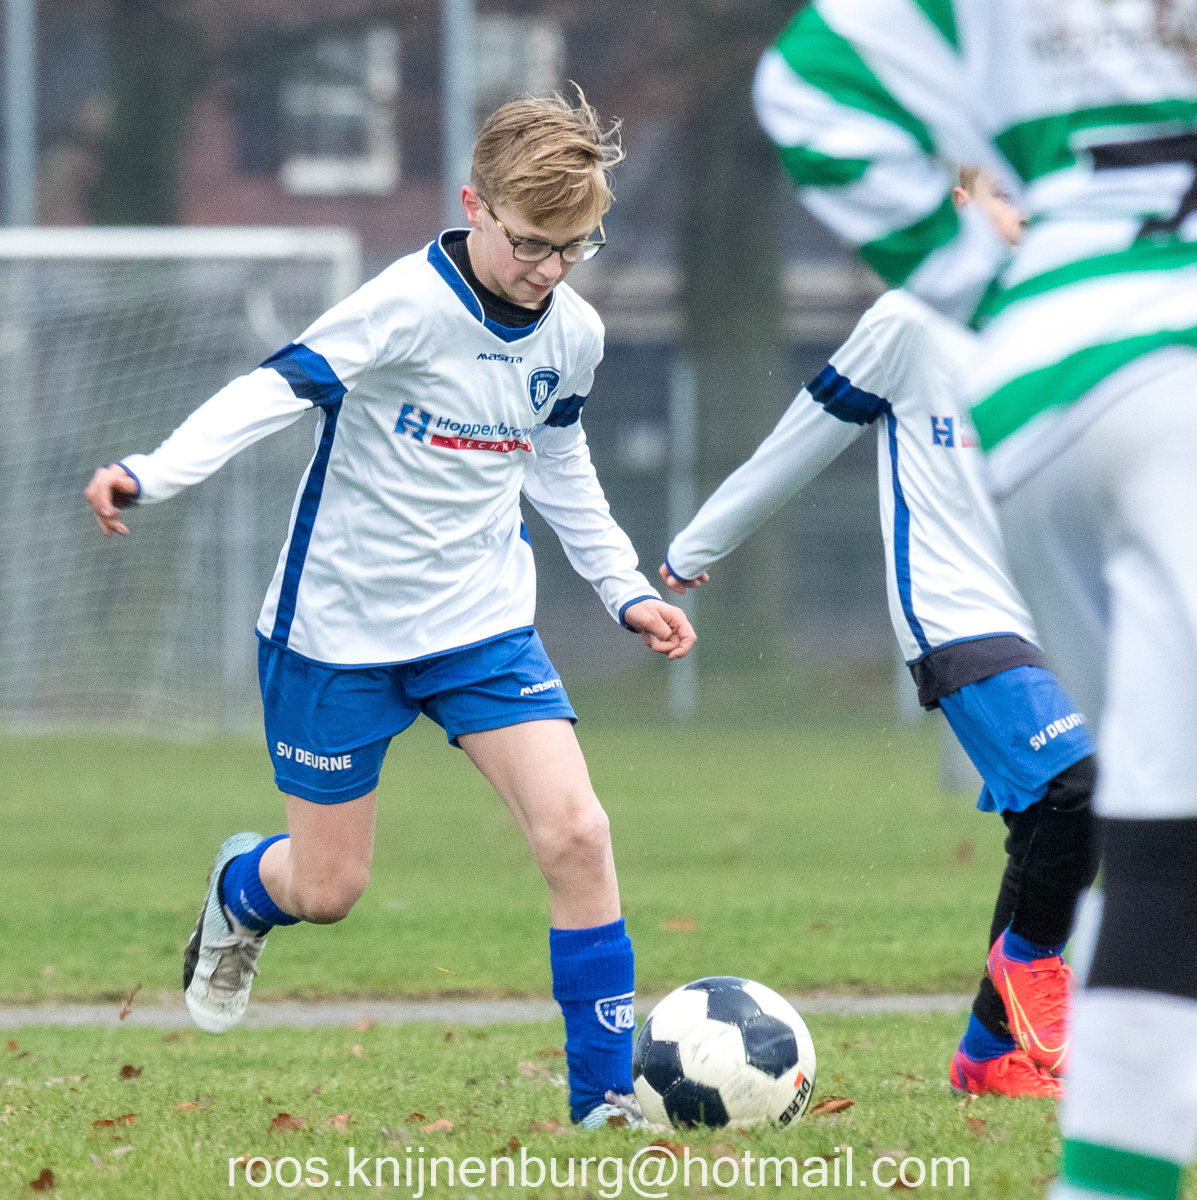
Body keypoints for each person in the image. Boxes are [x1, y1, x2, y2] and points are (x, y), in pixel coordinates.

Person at [84, 91, 694, 1131]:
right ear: (475, 205)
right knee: (328, 890)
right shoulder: (403, 306)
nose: (550, 270)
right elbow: (271, 390)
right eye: (531, 244)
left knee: (578, 833)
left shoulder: (576, 333)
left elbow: (557, 458)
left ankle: (601, 1101)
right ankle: (240, 889)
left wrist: (623, 585)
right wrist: (154, 472)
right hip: (337, 634)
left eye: (574, 249)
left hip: (482, 629)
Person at [752, 3, 1197, 1195]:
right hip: (1164, 361)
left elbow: (810, 83)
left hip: (1049, 389)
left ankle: (1058, 1107)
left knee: (1147, 818)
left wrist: (1000, 289)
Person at [662, 168, 1096, 1098]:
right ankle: (1031, 966)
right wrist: (698, 545)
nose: (1029, 210)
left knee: (1053, 826)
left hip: (1053, 615)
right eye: (1008, 191)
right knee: (1076, 786)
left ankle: (987, 1055)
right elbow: (802, 436)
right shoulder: (907, 322)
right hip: (957, 615)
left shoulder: (1060, 318)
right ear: (961, 201)